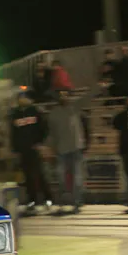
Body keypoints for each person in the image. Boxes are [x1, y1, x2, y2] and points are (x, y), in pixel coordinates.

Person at [46, 84, 105, 214]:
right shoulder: (53, 114)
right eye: (61, 95)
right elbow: (51, 133)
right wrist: (51, 148)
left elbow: (87, 98)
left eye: (65, 94)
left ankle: (77, 202)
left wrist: (98, 87)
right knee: (61, 177)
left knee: (77, 177)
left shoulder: (74, 107)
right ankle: (64, 201)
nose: (63, 97)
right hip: (61, 149)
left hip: (76, 148)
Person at [10, 91, 53, 212]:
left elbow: (44, 128)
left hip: (35, 148)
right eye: (20, 98)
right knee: (27, 176)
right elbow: (13, 132)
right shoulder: (15, 114)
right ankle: (32, 200)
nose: (22, 100)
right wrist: (15, 148)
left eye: (24, 98)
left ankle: (48, 198)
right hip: (23, 150)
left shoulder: (36, 112)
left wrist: (39, 143)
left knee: (39, 174)